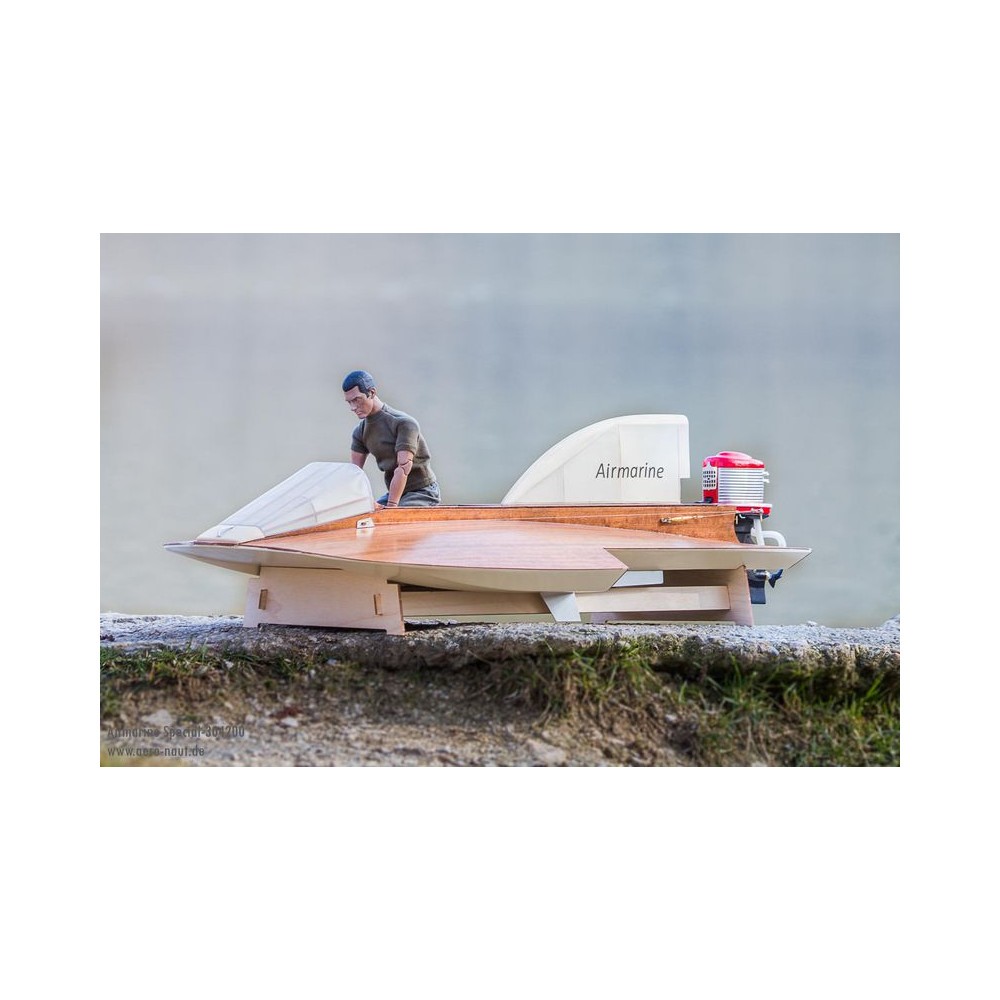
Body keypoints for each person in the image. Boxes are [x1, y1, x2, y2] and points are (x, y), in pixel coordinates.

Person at [342, 370, 441, 508]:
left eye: (357, 400)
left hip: (422, 492)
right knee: (364, 512)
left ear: (371, 393)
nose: (353, 407)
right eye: (349, 402)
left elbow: (403, 468)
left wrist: (391, 507)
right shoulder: (360, 432)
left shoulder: (404, 424)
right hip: (395, 494)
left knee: (394, 518)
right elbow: (354, 473)